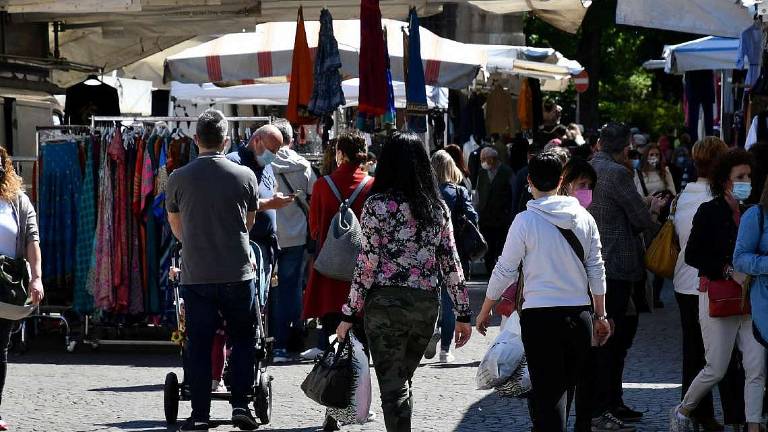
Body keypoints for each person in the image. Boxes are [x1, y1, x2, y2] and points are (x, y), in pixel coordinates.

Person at [335, 132, 472, 432]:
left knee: (393, 386)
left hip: (385, 305)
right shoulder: (437, 207)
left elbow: (367, 264)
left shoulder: (377, 205)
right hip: (425, 306)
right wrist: (463, 312)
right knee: (401, 380)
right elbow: (451, 261)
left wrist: (349, 312)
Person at [476, 152, 609, 432]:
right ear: (561, 180)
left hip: (540, 318)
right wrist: (601, 314)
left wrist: (485, 309)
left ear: (529, 181)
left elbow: (504, 270)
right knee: (568, 388)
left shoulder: (524, 221)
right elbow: (597, 269)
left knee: (549, 397)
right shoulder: (584, 218)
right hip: (579, 316)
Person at [166, 109, 262, 431]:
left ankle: (200, 413)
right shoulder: (246, 176)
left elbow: (176, 228)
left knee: (198, 342)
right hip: (237, 271)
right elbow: (249, 223)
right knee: (243, 339)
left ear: (196, 139)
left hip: (198, 274)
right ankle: (241, 404)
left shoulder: (178, 177)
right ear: (226, 141)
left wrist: (196, 242)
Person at [672, 149, 765, 432]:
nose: (746, 182)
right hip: (717, 296)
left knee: (756, 367)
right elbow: (693, 255)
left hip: (751, 299)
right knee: (716, 368)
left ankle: (753, 424)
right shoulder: (709, 211)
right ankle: (683, 410)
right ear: (725, 181)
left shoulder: (753, 213)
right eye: (740, 177)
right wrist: (727, 270)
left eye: (749, 176)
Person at [585, 123, 668, 431]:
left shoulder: (591, 168)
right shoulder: (618, 173)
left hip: (594, 266)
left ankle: (611, 402)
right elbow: (639, 219)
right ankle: (605, 406)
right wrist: (654, 210)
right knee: (614, 341)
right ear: (624, 148)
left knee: (608, 340)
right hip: (617, 267)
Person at [303, 131, 374, 355]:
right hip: (362, 272)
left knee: (331, 336)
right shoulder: (373, 185)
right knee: (361, 341)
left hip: (330, 271)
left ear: (340, 154)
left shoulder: (322, 185)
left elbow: (315, 229)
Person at [226, 124, 295, 313]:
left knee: (260, 303)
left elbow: (268, 190)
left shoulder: (266, 165)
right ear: (256, 141)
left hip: (266, 246)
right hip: (246, 247)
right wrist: (269, 203)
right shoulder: (234, 163)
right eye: (272, 150)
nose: (274, 155)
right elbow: (233, 205)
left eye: (277, 151)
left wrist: (275, 199)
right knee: (246, 306)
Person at [0, 147, 43, 432]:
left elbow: (31, 240)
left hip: (5, 285)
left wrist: (36, 278)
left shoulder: (18, 200)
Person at [270, 118, 317, 362]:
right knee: (293, 289)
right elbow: (313, 199)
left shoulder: (264, 164)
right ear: (292, 139)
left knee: (269, 290)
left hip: (269, 235)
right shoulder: (304, 165)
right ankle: (292, 341)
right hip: (296, 236)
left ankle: (274, 342)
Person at [429, 149, 478, 363]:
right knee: (449, 300)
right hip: (453, 249)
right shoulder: (458, 192)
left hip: (428, 252)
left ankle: (431, 330)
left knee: (430, 296)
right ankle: (445, 349)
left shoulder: (425, 192)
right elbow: (473, 217)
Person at [634, 144, 677, 308]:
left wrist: (664, 199)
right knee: (645, 255)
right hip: (647, 217)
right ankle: (645, 295)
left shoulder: (665, 171)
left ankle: (656, 296)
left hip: (663, 218)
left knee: (660, 252)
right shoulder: (639, 173)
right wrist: (650, 200)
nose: (654, 157)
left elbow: (673, 191)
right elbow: (637, 196)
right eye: (651, 154)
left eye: (657, 154)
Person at [476, 147, 514, 274]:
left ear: (492, 159)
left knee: (500, 248)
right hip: (486, 218)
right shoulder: (482, 173)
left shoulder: (507, 172)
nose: (482, 162)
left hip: (501, 218)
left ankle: (499, 274)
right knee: (488, 249)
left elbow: (512, 193)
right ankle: (490, 274)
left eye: (484, 159)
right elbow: (478, 192)